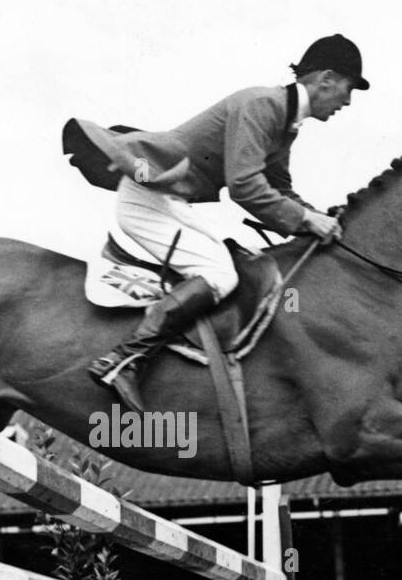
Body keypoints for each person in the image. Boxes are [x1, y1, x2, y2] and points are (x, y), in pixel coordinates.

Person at [66, 34, 369, 415]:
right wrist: (306, 219)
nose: (348, 100)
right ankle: (122, 362)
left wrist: (317, 217)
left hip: (166, 198)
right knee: (219, 274)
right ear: (326, 78)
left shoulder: (284, 120)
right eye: (348, 87)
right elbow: (244, 187)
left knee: (222, 266)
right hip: (149, 196)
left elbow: (277, 188)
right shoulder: (263, 105)